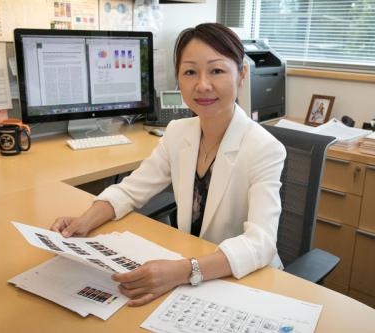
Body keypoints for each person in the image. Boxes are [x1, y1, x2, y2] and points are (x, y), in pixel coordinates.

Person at [51, 23, 286, 306]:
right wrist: (84, 222)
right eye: (190, 72)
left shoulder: (264, 148)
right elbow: (130, 190)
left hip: (242, 279)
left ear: (241, 74)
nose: (202, 85)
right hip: (189, 277)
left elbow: (261, 243)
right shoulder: (178, 132)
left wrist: (184, 271)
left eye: (217, 70)